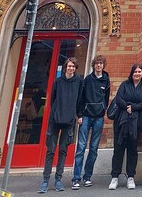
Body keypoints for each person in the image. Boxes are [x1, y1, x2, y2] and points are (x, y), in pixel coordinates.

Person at [38, 57, 84, 194]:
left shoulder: (79, 83)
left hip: (69, 121)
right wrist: (56, 112)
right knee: (50, 150)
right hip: (55, 120)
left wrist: (78, 115)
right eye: (69, 66)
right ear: (65, 67)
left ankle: (58, 179)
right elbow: (53, 99)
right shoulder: (57, 82)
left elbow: (80, 100)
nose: (71, 69)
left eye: (73, 67)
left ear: (75, 68)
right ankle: (45, 180)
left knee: (63, 151)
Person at [109, 64, 142, 191]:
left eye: (139, 72)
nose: (137, 74)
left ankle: (131, 177)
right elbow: (119, 99)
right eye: (135, 71)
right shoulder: (124, 85)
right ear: (132, 73)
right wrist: (128, 107)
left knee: (132, 149)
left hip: (136, 121)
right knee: (118, 148)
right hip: (121, 120)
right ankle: (115, 177)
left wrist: (133, 107)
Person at [71, 55, 110, 189]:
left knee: (93, 149)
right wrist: (79, 114)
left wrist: (104, 109)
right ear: (93, 65)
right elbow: (81, 97)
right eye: (96, 64)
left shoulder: (106, 80)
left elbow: (106, 97)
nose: (98, 65)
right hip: (86, 116)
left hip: (98, 117)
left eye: (101, 63)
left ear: (103, 65)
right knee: (81, 147)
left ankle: (87, 177)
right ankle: (76, 178)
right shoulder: (87, 79)